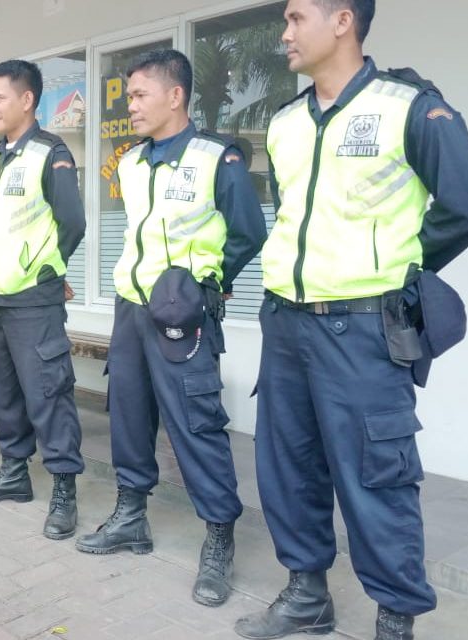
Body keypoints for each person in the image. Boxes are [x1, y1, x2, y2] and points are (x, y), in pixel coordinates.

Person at [235, 2, 468, 639]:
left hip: (365, 330)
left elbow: (466, 202)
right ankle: (306, 593)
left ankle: (396, 616)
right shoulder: (285, 123)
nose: (284, 32)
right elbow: (294, 216)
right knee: (289, 464)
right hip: (286, 325)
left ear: (342, 21)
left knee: (378, 474)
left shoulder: (411, 107)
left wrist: (396, 266)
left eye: (295, 17)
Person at [75, 49, 266, 608]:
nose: (129, 106)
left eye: (138, 95)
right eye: (128, 96)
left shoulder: (217, 159)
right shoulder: (132, 163)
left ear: (175, 95)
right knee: (128, 413)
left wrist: (207, 281)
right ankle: (131, 516)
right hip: (131, 309)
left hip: (183, 314)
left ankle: (219, 540)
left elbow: (248, 232)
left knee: (195, 424)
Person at [0, 59, 86, 541]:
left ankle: (64, 489)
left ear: (27, 99)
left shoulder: (50, 153)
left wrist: (48, 268)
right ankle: (15, 473)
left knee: (49, 395)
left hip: (34, 300)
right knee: (5, 392)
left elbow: (71, 223)